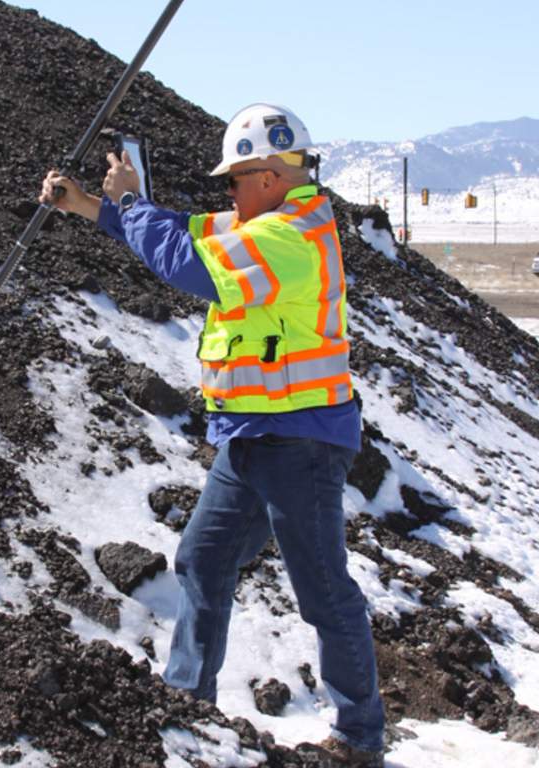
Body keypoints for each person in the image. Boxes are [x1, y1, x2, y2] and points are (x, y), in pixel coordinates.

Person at [40, 103, 385, 767]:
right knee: (204, 559)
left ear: (268, 174)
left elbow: (186, 265)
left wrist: (133, 201)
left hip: (301, 440)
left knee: (321, 587)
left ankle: (359, 737)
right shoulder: (255, 224)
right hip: (252, 438)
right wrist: (93, 207)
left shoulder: (292, 237)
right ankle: (186, 704)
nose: (226, 192)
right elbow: (182, 233)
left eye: (233, 179)